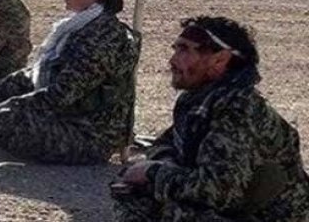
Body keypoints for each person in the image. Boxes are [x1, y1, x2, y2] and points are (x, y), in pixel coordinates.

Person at [112, 16, 309, 222]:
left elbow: (217, 191)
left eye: (185, 50)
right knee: (135, 193)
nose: (173, 60)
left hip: (265, 215)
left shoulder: (239, 110)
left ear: (219, 60)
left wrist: (154, 172)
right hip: (231, 205)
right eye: (176, 49)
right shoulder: (199, 102)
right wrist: (164, 165)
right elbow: (165, 144)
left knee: (180, 212)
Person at [0, 0, 141, 164]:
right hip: (66, 119)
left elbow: (61, 94)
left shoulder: (106, 37)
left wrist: (3, 106)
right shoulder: (78, 27)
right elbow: (36, 75)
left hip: (90, 135)